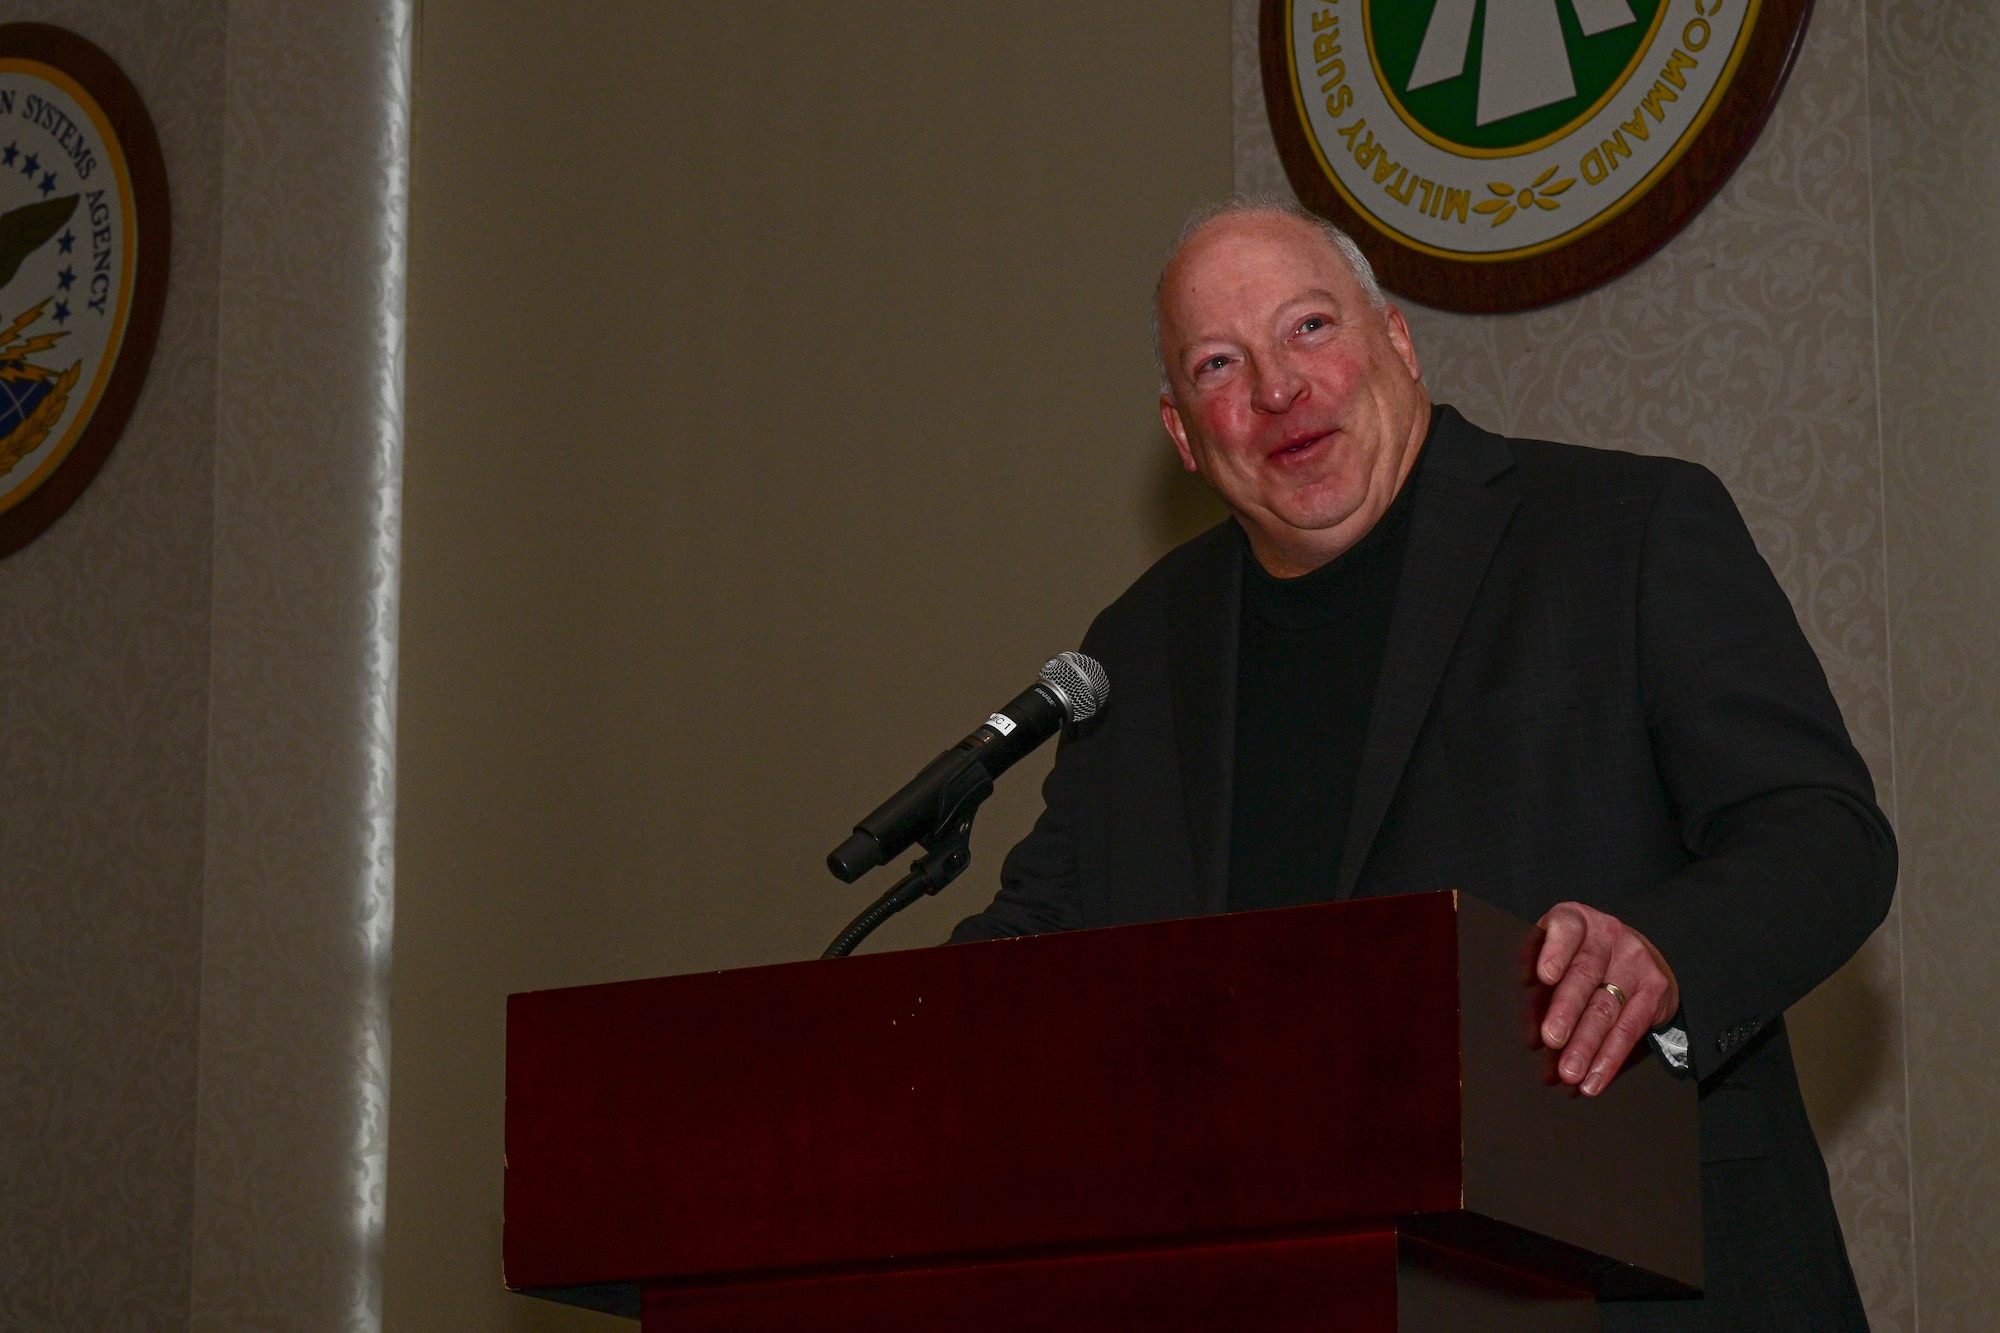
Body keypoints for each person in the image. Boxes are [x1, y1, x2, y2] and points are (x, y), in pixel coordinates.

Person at [950, 199, 1896, 1329]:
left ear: (1394, 341)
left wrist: (1662, 950)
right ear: (1182, 433)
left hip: (1640, 1279)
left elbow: (1820, 833)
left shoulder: (1622, 529)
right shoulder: (1141, 646)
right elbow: (1026, 954)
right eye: (1218, 362)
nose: (1275, 390)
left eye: (1307, 328)